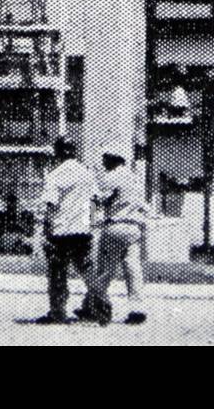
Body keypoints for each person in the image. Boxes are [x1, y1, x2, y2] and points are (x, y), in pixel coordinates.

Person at [85, 144, 149, 326]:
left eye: (106, 158)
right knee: (133, 269)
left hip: (115, 225)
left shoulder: (110, 177)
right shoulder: (135, 178)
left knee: (105, 270)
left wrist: (90, 219)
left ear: (114, 159)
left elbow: (98, 200)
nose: (103, 161)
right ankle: (137, 309)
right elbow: (142, 205)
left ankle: (95, 305)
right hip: (134, 227)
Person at [35, 137, 96, 324]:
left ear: (58, 152)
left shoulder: (55, 174)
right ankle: (96, 307)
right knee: (88, 271)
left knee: (57, 273)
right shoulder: (87, 173)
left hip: (61, 232)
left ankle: (57, 312)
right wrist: (89, 225)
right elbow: (93, 202)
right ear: (74, 151)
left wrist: (45, 229)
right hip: (82, 230)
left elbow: (50, 204)